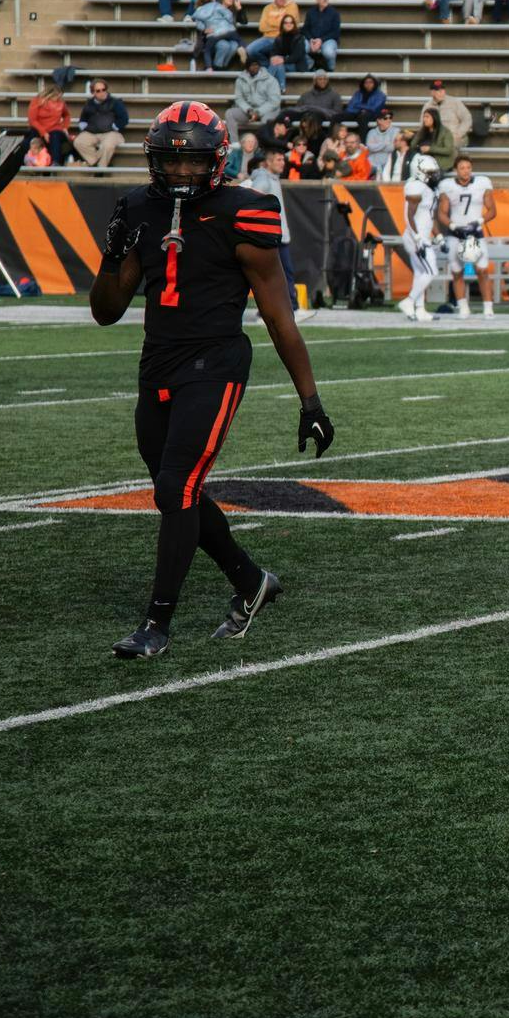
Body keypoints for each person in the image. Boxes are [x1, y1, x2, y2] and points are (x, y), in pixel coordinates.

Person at [89, 102, 332, 659]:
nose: (180, 174)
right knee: (176, 491)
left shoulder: (245, 211)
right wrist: (111, 258)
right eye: (170, 164)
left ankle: (156, 624)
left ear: (216, 161)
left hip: (216, 363)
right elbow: (106, 310)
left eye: (192, 163)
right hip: (158, 361)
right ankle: (250, 581)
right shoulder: (137, 207)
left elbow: (277, 316)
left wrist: (310, 400)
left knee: (176, 485)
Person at [437, 153, 498, 319]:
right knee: (457, 272)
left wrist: (478, 221)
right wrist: (453, 225)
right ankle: (463, 306)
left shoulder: (482, 183)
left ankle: (488, 307)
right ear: (456, 170)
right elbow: (441, 213)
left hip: (476, 233)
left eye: (468, 168)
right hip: (455, 234)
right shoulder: (447, 185)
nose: (466, 171)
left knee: (482, 270)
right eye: (462, 168)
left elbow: (493, 210)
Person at [398, 152, 444, 322]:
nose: (435, 175)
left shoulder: (430, 189)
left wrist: (439, 237)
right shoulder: (415, 187)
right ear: (419, 172)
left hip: (422, 236)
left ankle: (420, 309)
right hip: (415, 237)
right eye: (431, 172)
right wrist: (417, 238)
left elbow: (431, 216)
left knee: (420, 273)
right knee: (431, 271)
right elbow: (408, 216)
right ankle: (409, 301)